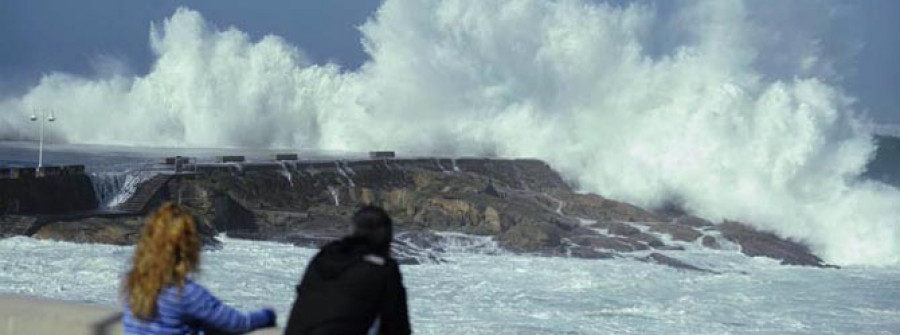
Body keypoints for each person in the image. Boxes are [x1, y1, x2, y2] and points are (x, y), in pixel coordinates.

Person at [121, 202, 277, 334]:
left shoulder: (132, 282)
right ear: (188, 248)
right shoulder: (185, 294)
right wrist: (268, 315)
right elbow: (238, 324)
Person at [285, 205, 411, 335]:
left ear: (353, 230)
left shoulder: (325, 255)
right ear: (387, 238)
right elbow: (398, 326)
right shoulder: (384, 269)